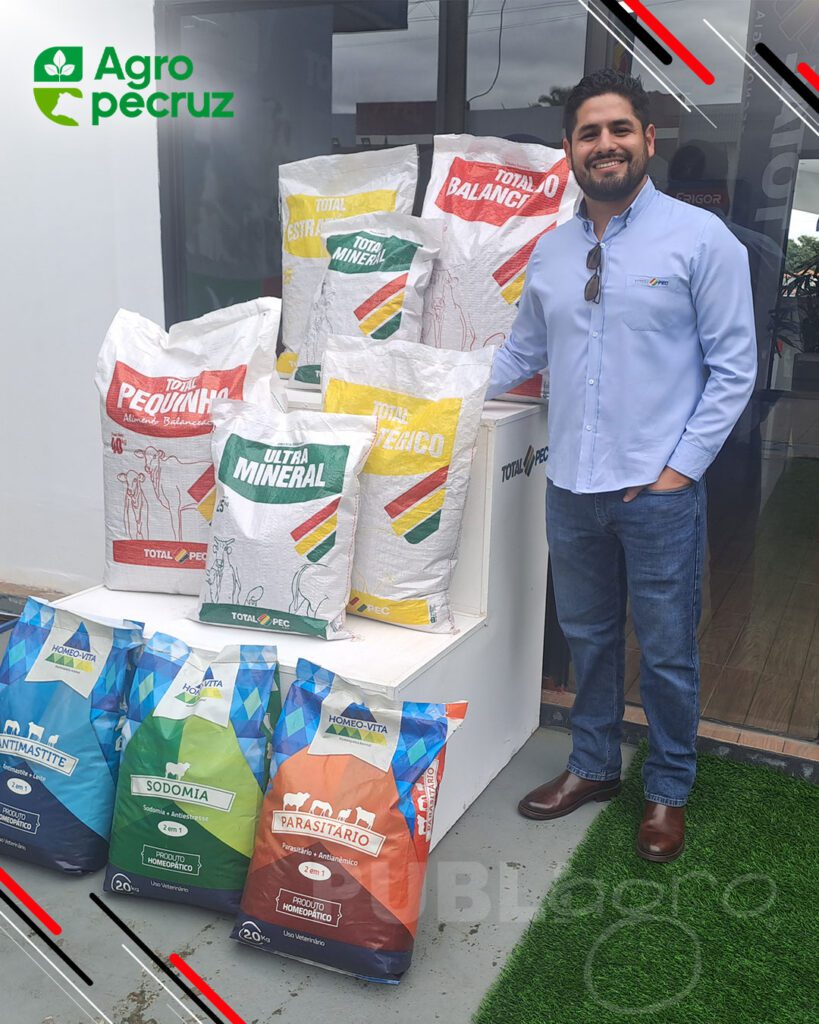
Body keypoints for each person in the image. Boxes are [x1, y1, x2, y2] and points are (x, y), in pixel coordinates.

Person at [487, 69, 757, 863]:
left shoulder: (701, 240)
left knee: (666, 650)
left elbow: (733, 368)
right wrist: (424, 388)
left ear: (646, 139)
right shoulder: (551, 250)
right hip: (570, 486)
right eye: (588, 133)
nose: (603, 144)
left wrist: (680, 471)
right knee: (589, 639)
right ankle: (592, 766)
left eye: (618, 129)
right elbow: (521, 353)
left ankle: (667, 788)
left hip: (656, 493)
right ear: (569, 148)